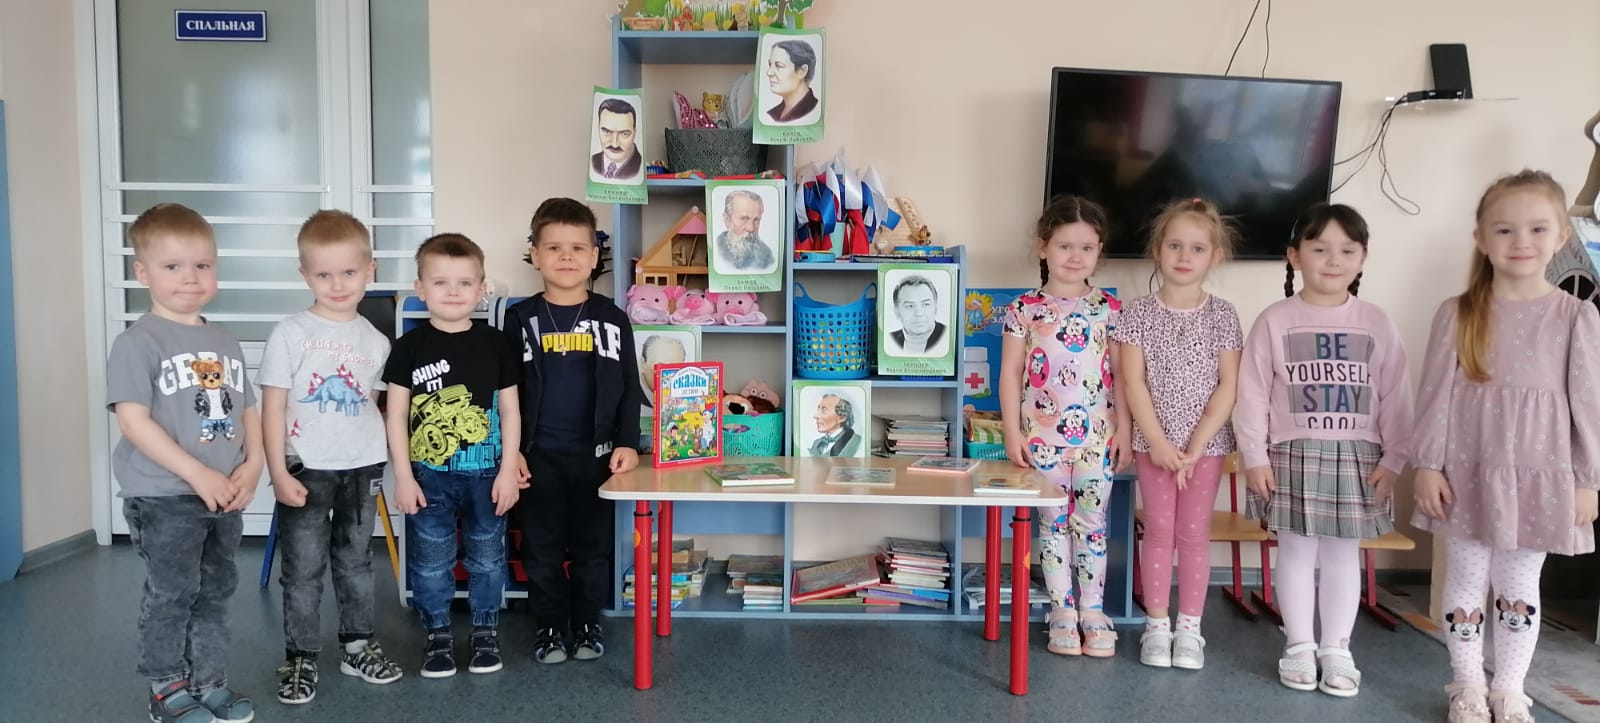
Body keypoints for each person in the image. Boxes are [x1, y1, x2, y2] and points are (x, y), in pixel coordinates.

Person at [1411, 170, 1600, 723]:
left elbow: (1589, 405)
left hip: (1541, 477)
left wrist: (1588, 478)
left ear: (1561, 236)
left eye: (1537, 229)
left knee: (1519, 585)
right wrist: (1426, 465)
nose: (1521, 241)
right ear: (1481, 239)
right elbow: (1434, 396)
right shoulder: (1458, 312)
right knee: (1466, 580)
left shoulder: (1577, 316)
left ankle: (1509, 688)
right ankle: (1467, 683)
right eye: (1504, 229)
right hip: (1465, 474)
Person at [1235, 202, 1414, 699]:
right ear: (1295, 256)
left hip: (1359, 457)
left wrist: (1394, 458)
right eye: (1319, 249)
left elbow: (1397, 395)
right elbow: (1252, 393)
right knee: (1294, 552)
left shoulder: (1377, 322)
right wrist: (1254, 456)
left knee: (1342, 555)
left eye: (1347, 251)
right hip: (1291, 454)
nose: (1333, 261)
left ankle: (1337, 649)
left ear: (1363, 257)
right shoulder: (1274, 320)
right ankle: (1298, 645)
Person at [108, 203, 262, 723]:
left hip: (224, 495)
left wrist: (254, 465)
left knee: (216, 591)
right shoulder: (137, 342)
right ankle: (166, 687)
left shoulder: (224, 341)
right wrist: (197, 473)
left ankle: (208, 682)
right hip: (164, 496)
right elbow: (133, 422)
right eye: (172, 266)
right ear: (143, 272)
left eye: (202, 265)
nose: (190, 278)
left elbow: (247, 409)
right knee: (173, 593)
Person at [259, 210, 402, 705]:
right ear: (305, 275)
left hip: (362, 467)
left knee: (356, 561)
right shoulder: (290, 333)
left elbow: (376, 405)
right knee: (302, 568)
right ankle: (300, 656)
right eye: (324, 274)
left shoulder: (377, 342)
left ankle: (356, 646)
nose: (337, 285)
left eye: (349, 272)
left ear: (370, 270)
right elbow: (272, 407)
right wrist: (277, 470)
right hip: (305, 467)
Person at [502, 198, 644, 664]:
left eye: (578, 248)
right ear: (535, 254)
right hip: (537, 457)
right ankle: (548, 625)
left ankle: (586, 622)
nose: (566, 257)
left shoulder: (612, 317)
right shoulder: (520, 319)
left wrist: (627, 442)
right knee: (540, 547)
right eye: (554, 247)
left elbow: (629, 385)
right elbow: (505, 391)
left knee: (593, 547)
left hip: (597, 457)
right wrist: (511, 452)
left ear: (594, 256)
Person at [382, 233, 523, 679]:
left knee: (488, 557)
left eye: (464, 282)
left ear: (481, 288)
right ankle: (438, 633)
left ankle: (485, 630)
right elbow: (396, 414)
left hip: (488, 475)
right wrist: (403, 477)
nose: (453, 292)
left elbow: (510, 410)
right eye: (440, 282)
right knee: (431, 560)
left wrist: (508, 469)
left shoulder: (496, 343)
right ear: (421, 288)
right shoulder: (408, 347)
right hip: (428, 477)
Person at [1112, 198, 1243, 670]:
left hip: (1205, 448)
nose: (1185, 256)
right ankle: (1157, 624)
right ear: (1157, 250)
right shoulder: (1137, 314)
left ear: (1215, 257)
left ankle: (1189, 628)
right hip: (1154, 445)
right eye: (1175, 246)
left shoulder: (1223, 314)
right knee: (1159, 531)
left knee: (1193, 533)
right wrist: (1160, 443)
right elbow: (1133, 383)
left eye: (1197, 248)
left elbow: (1228, 385)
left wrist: (1196, 445)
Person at [999, 194, 1132, 658]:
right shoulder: (1023, 309)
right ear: (1043, 247)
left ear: (1099, 252)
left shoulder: (1111, 309)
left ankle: (1093, 612)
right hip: (1041, 440)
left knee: (1092, 525)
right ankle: (1062, 612)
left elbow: (1123, 377)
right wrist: (1012, 432)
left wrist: (1126, 431)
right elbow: (1011, 373)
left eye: (1086, 248)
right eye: (1064, 246)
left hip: (1098, 440)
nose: (1075, 257)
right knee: (1052, 526)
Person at [715, 190, 776, 273]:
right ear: (727, 220)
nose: (751, 228)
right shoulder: (716, 249)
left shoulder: (767, 255)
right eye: (744, 218)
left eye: (756, 220)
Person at [888, 275, 948, 355]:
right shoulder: (890, 340)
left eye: (926, 304)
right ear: (897, 311)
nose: (919, 313)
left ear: (935, 307)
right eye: (910, 306)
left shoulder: (947, 336)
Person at [764, 38, 819, 123]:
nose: (769, 72)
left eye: (779, 66)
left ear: (802, 71)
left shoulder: (813, 110)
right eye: (770, 64)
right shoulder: (772, 115)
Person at [590, 98, 642, 181]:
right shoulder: (592, 162)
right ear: (598, 128)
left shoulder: (640, 168)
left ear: (634, 134)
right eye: (607, 131)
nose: (615, 144)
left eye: (624, 134)